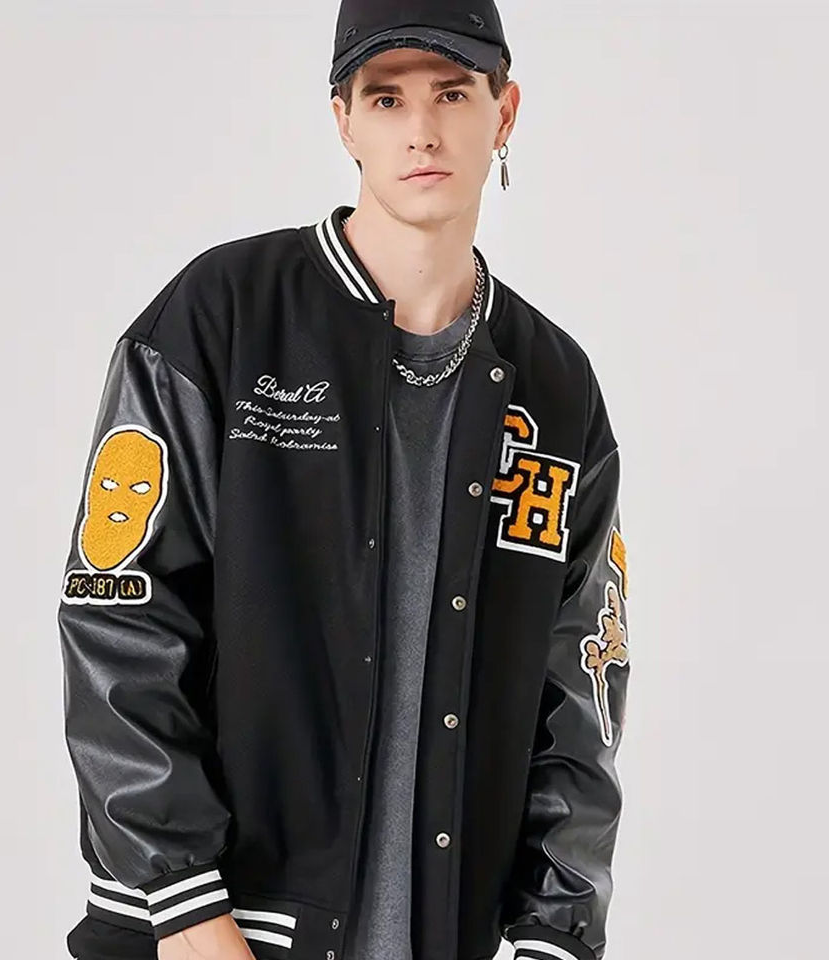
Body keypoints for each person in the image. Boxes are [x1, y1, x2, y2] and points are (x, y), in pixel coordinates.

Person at [57, 2, 632, 959]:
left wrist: (556, 935)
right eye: (386, 97)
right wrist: (187, 908)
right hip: (213, 932)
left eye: (453, 93)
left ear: (505, 111)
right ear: (343, 121)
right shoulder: (223, 317)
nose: (422, 129)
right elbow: (119, 614)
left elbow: (583, 685)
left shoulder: (557, 387)